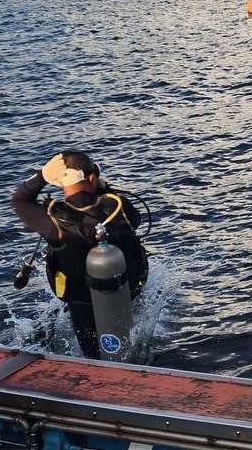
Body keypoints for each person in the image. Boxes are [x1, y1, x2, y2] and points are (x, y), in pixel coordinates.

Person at [10, 151, 149, 359]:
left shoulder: (54, 224)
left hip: (82, 308)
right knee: (132, 347)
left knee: (95, 358)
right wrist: (104, 189)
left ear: (58, 182)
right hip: (128, 295)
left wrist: (41, 177)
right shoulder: (119, 208)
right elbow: (137, 220)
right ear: (92, 177)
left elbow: (19, 201)